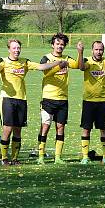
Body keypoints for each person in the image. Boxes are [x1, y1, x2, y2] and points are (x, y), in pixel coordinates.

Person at [0, 39, 68, 166]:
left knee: (18, 130)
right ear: (9, 49)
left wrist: (57, 63)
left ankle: (14, 158)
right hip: (7, 99)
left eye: (18, 48)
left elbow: (41, 67)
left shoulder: (24, 62)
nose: (17, 50)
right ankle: (4, 158)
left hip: (22, 99)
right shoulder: (3, 61)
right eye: (14, 48)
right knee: (7, 129)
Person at [36, 33, 82, 165]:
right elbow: (44, 72)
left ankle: (57, 157)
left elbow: (79, 65)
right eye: (57, 44)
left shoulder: (67, 58)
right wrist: (58, 66)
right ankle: (40, 155)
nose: (60, 46)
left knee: (60, 127)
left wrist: (80, 51)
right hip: (48, 98)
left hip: (63, 99)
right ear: (52, 45)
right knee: (45, 126)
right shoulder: (46, 58)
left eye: (62, 44)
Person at [78, 30, 105, 165]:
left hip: (103, 102)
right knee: (86, 129)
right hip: (89, 102)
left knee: (104, 129)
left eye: (101, 50)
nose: (98, 52)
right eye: (96, 49)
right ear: (92, 50)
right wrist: (80, 52)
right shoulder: (88, 61)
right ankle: (85, 157)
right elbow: (81, 67)